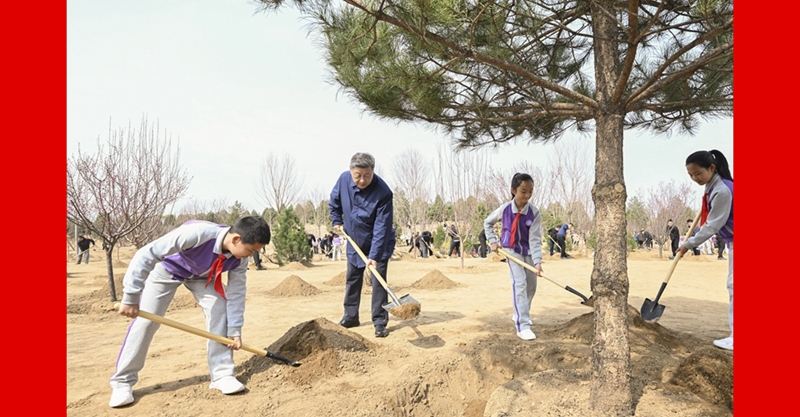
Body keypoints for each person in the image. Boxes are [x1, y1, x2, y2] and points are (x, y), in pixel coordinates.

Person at [108, 216, 271, 408]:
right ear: (236, 239)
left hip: (202, 277)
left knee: (220, 308)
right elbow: (146, 254)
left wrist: (234, 330)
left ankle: (222, 375)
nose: (250, 256)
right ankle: (123, 383)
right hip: (167, 270)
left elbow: (236, 294)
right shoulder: (198, 234)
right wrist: (131, 296)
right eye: (251, 250)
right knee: (147, 321)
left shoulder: (240, 259)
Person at [329, 152, 396, 338]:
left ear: (373, 172)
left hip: (379, 242)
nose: (362, 180)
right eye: (357, 175)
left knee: (378, 281)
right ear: (351, 171)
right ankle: (350, 317)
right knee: (352, 278)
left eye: (367, 175)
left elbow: (382, 228)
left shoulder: (383, 192)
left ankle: (380, 321)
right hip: (354, 239)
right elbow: (333, 201)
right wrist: (336, 220)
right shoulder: (343, 180)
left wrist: (374, 256)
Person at [677, 149, 733, 351]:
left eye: (697, 173)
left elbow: (712, 226)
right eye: (691, 175)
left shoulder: (722, 190)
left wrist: (688, 244)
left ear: (712, 168)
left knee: (734, 287)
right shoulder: (714, 187)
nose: (694, 178)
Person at [484, 173, 543, 341]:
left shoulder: (534, 212)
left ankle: (521, 311)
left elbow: (535, 239)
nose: (527, 196)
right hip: (511, 251)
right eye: (523, 191)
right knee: (520, 284)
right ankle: (522, 325)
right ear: (513, 190)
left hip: (529, 252)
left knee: (531, 286)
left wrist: (538, 262)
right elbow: (487, 223)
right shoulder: (504, 209)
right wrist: (493, 241)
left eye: (530, 192)